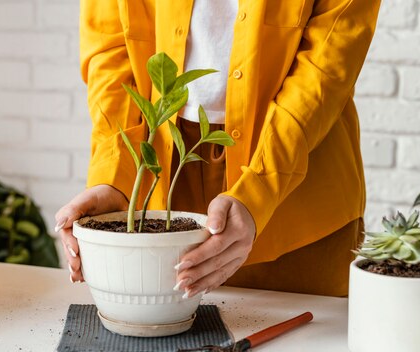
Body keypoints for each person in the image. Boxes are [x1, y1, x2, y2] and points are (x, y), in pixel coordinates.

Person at [55, 0, 381, 297]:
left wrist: (261, 185)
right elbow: (109, 50)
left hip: (300, 202)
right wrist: (114, 175)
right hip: (163, 182)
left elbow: (326, 66)